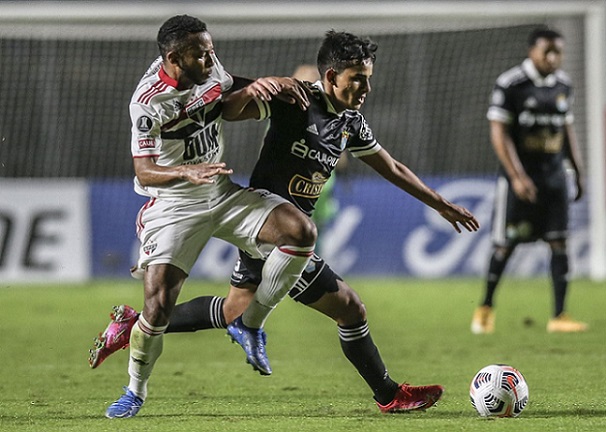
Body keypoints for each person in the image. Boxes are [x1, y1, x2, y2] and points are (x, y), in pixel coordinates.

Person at [91, 30, 480, 415]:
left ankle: (135, 324)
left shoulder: (351, 122)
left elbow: (392, 167)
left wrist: (441, 204)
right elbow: (228, 107)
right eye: (357, 79)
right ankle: (388, 394)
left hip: (268, 226)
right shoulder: (297, 101)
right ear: (331, 77)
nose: (365, 88)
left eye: (368, 79)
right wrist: (257, 92)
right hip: (271, 229)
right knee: (350, 309)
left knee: (228, 311)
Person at [100, 15, 320, 419]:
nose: (210, 59)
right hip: (174, 204)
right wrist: (185, 170)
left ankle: (249, 325)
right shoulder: (148, 102)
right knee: (158, 308)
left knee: (299, 231)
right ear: (173, 58)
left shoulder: (207, 64)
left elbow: (228, 85)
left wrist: (269, 82)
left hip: (218, 190)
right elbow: (144, 171)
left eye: (210, 50)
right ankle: (135, 390)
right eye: (200, 55)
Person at [471, 27, 587, 334]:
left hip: (554, 177)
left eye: (557, 51)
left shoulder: (564, 84)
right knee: (505, 244)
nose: (552, 57)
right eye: (547, 51)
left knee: (559, 241)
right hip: (519, 179)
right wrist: (517, 176)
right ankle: (485, 309)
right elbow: (499, 133)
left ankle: (559, 315)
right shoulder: (512, 84)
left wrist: (578, 170)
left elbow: (566, 130)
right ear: (531, 51)